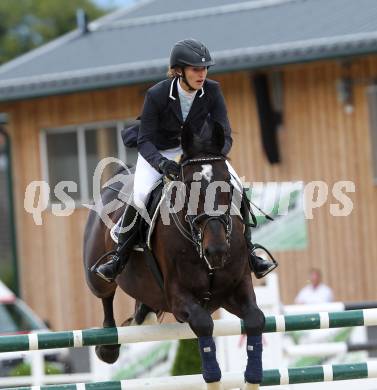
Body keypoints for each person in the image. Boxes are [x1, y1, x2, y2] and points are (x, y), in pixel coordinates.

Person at [94, 38, 278, 283]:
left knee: (234, 186)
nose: (202, 74)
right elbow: (145, 139)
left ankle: (251, 252)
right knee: (141, 195)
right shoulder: (157, 94)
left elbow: (225, 130)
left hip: (199, 151)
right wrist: (161, 164)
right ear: (179, 71)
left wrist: (215, 155)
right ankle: (119, 258)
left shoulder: (212, 90)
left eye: (204, 69)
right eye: (195, 69)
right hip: (158, 151)